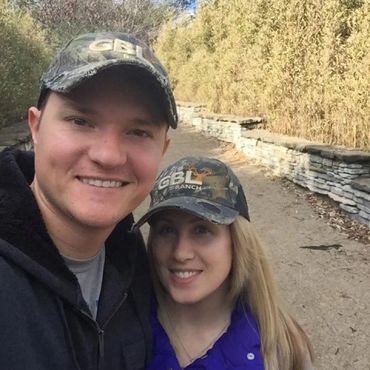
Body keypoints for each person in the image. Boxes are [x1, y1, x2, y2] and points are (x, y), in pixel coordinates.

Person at [0, 32, 177, 370]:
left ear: (162, 150)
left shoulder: (133, 255)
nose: (109, 156)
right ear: (35, 128)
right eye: (81, 121)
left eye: (138, 132)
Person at [134, 156, 314, 370]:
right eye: (167, 230)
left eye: (202, 230)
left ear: (237, 241)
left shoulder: (283, 348)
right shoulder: (122, 327)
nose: (180, 253)